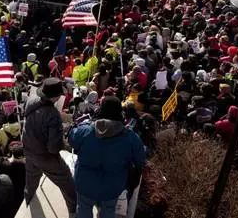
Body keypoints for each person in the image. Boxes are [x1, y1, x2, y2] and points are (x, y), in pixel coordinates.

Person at [68, 96, 146, 218]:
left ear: (101, 109)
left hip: (85, 183)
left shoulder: (85, 130)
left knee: (83, 210)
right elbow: (141, 159)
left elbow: (72, 139)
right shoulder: (131, 138)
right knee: (108, 212)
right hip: (112, 187)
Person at [22, 77, 77, 216]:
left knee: (31, 178)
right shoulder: (52, 115)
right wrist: (65, 142)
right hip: (45, 156)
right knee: (66, 181)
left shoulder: (31, 100)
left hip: (28, 149)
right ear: (57, 96)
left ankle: (28, 198)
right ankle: (73, 209)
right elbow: (53, 147)